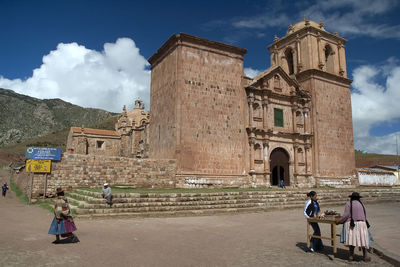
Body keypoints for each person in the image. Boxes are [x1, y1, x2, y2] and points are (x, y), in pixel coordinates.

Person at [335, 192, 370, 262]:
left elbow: (346, 215)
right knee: (363, 240)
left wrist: (339, 221)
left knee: (352, 240)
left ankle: (351, 256)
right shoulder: (362, 204)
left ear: (351, 198)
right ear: (358, 198)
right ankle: (365, 256)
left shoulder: (349, 204)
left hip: (352, 224)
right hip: (362, 224)